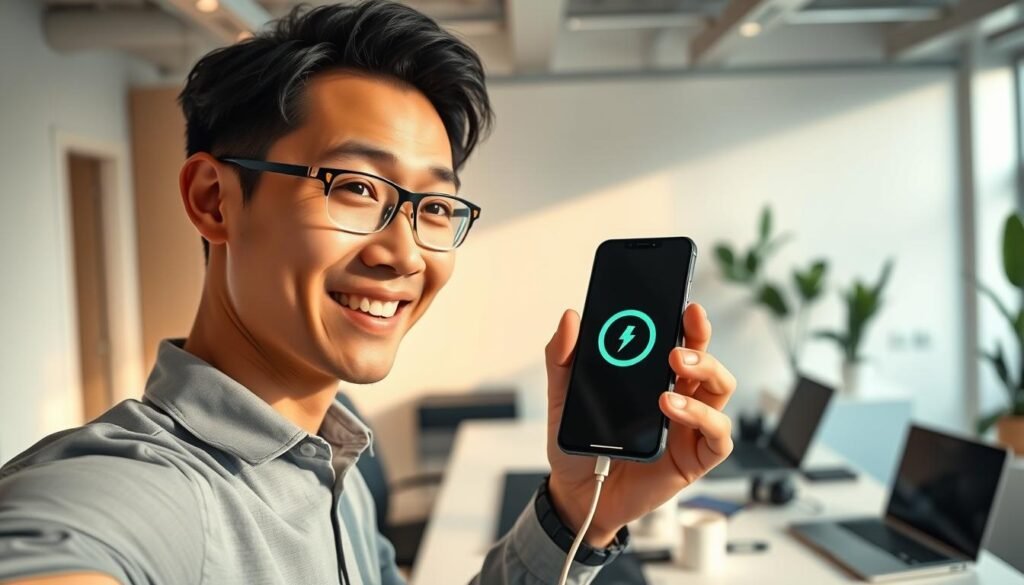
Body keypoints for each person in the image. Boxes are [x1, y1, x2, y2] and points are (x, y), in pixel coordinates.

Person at [0, 2, 736, 584]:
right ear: (214, 200)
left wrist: (581, 510)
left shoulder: (333, 453)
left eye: (436, 207)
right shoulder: (137, 491)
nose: (403, 253)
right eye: (354, 187)